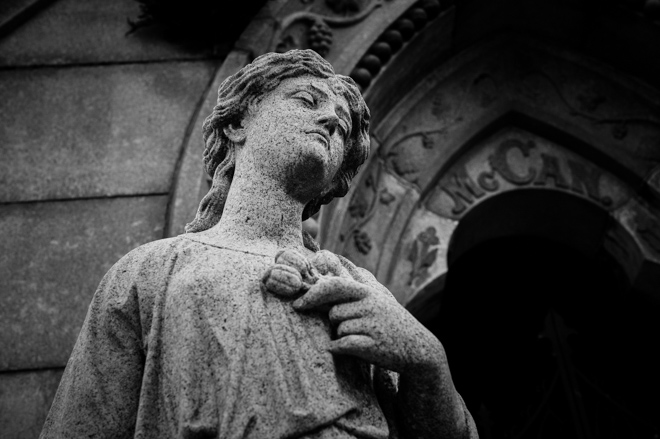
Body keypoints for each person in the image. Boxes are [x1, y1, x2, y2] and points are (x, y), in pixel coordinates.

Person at [41, 49, 478, 439]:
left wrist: (427, 362)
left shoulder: (356, 286)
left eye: (342, 127)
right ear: (236, 124)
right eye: (307, 101)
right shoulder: (153, 270)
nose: (329, 120)